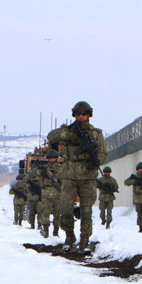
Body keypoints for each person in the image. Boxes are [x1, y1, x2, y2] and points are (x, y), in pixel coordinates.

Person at [47, 101, 107, 252]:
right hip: (69, 174)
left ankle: (85, 239)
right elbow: (52, 136)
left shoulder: (96, 134)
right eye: (78, 114)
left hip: (88, 174)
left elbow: (102, 151)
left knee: (86, 210)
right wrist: (70, 135)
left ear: (89, 115)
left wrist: (98, 160)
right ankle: (69, 236)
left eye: (84, 114)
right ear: (74, 115)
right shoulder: (68, 130)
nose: (81, 116)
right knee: (66, 208)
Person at [35, 149, 63, 238]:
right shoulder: (45, 168)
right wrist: (42, 170)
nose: (51, 159)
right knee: (45, 212)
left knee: (57, 213)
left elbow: (62, 177)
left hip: (57, 193)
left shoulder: (60, 167)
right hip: (46, 193)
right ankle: (46, 231)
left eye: (53, 158)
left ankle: (55, 232)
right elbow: (38, 175)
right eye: (50, 158)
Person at [23, 165, 42, 230]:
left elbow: (24, 185)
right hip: (38, 197)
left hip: (33, 197)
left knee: (32, 212)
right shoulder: (41, 174)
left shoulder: (29, 175)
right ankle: (38, 225)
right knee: (39, 212)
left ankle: (33, 225)